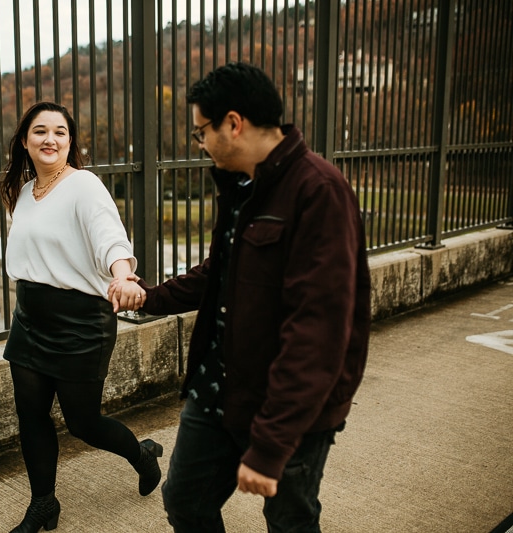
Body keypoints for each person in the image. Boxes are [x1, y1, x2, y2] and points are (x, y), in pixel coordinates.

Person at [109, 62, 371, 532]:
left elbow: (319, 331)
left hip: (290, 407)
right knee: (185, 502)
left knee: (290, 520)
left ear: (233, 123)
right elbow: (220, 274)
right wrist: (148, 297)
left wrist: (271, 446)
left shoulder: (319, 190)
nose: (201, 144)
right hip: (219, 388)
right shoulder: (241, 186)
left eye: (201, 132)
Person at [0, 101, 162, 533]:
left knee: (83, 423)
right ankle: (43, 505)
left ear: (70, 142)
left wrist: (124, 276)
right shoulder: (26, 191)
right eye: (40, 131)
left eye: (59, 132)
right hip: (30, 318)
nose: (49, 139)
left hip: (79, 322)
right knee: (31, 416)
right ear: (24, 141)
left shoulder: (84, 185)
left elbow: (110, 236)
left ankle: (141, 456)